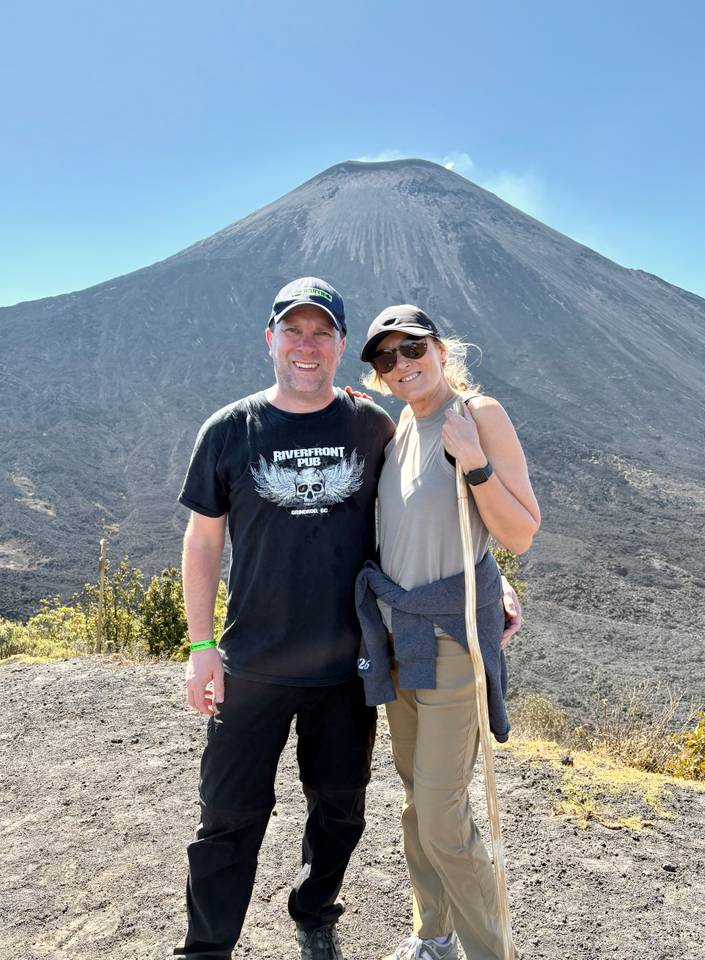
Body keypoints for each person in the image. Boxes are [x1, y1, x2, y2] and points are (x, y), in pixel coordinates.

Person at [174, 280, 522, 960]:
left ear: (338, 346)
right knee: (227, 817)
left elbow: (424, 510)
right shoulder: (228, 430)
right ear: (269, 339)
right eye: (293, 331)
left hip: (351, 666)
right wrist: (201, 644)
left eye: (321, 332)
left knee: (341, 809)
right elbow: (203, 540)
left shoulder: (371, 424)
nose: (307, 345)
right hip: (254, 663)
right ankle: (205, 950)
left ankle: (314, 907)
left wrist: (489, 577)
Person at [355, 305, 541, 960]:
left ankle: (492, 952)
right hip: (398, 638)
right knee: (417, 807)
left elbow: (519, 531)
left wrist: (474, 464)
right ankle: (433, 937)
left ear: (439, 347)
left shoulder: (476, 415)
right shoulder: (399, 426)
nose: (402, 364)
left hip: (453, 641)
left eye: (412, 349)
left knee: (443, 821)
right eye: (386, 358)